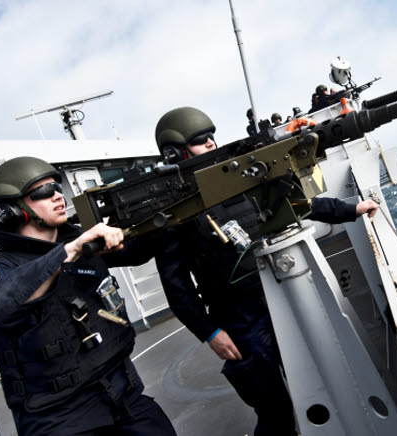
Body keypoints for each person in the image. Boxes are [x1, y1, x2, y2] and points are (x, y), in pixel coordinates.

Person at [152, 107, 379, 436]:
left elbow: (298, 205)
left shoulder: (236, 180)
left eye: (211, 137)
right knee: (276, 414)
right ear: (176, 152)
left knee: (323, 386)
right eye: (201, 141)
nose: (212, 144)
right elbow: (177, 289)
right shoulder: (171, 214)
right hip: (239, 319)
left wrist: (352, 209)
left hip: (282, 297)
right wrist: (210, 333)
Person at [0, 157, 176, 435]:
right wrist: (71, 250)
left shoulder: (76, 240)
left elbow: (136, 250)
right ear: (10, 210)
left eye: (56, 187)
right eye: (41, 191)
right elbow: (1, 304)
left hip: (124, 391)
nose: (56, 195)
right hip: (60, 417)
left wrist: (165, 209)